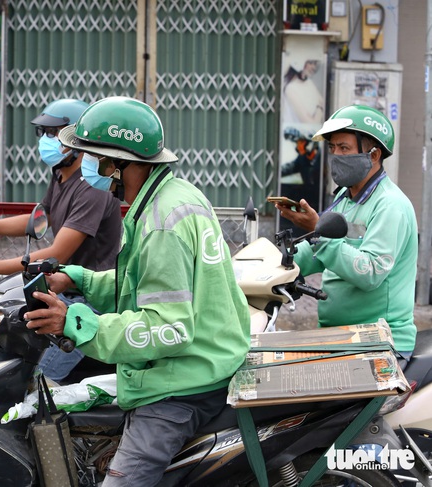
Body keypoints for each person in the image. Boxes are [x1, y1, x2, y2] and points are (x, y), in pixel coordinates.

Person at [23, 96, 251, 486]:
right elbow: (148, 286)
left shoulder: (161, 224)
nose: (87, 167)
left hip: (181, 384)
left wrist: (76, 323)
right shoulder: (174, 198)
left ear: (120, 163)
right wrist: (80, 279)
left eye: (92, 158)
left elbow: (168, 326)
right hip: (201, 363)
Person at [0, 98, 122, 381]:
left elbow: (58, 253)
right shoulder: (62, 174)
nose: (46, 140)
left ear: (76, 137)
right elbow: (41, 219)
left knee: (39, 378)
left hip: (92, 298)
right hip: (63, 289)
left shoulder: (92, 187)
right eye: (43, 133)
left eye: (54, 133)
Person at [275, 104, 418, 363]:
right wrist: (279, 263)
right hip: (341, 337)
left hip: (379, 341)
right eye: (332, 148)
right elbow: (320, 252)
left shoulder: (390, 205)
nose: (336, 156)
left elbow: (370, 272)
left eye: (344, 148)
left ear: (373, 155)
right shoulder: (346, 198)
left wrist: (317, 232)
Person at [283, 59, 324, 124]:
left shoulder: (309, 82)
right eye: (310, 63)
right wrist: (320, 108)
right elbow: (310, 123)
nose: (314, 67)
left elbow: (322, 101)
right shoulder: (290, 88)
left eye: (315, 64)